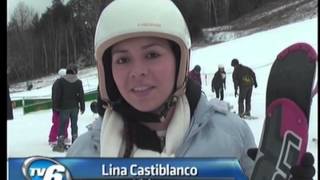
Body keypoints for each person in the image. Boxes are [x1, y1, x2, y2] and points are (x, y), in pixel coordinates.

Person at [66, 0, 315, 179]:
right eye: (122, 60)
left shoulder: (229, 135)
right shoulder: (84, 154)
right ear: (107, 72)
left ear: (180, 62)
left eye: (152, 54)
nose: (137, 71)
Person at [52, 64, 85, 152]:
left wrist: (56, 106)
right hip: (75, 107)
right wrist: (82, 107)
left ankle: (60, 145)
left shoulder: (61, 81)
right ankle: (75, 144)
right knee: (74, 125)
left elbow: (57, 95)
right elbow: (81, 96)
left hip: (64, 107)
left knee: (62, 125)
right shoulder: (78, 82)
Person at [49, 68, 70, 146]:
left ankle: (64, 136)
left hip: (66, 107)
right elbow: (55, 97)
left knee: (66, 122)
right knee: (57, 123)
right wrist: (57, 107)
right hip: (58, 108)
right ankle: (52, 138)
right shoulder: (57, 84)